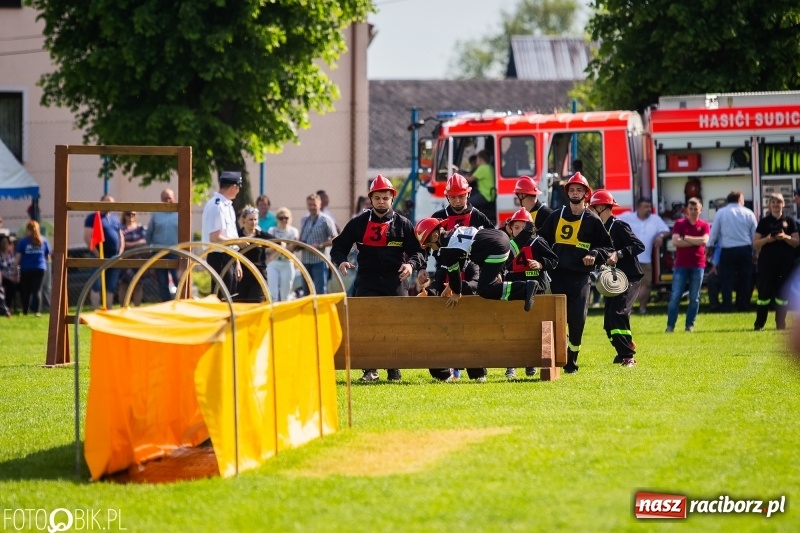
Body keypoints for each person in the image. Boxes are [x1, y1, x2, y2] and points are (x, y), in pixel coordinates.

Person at [332, 175, 426, 382]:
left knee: (395, 325)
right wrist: (341, 261)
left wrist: (411, 266)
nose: (381, 201)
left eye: (385, 197)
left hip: (395, 281)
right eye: (377, 198)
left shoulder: (403, 224)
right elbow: (339, 246)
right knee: (367, 325)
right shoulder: (358, 223)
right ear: (371, 199)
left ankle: (394, 368)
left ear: (392, 198)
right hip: (367, 281)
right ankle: (369, 369)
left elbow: (419, 252)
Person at [539, 172, 613, 374]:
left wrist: (594, 254)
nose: (575, 193)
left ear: (586, 194)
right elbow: (540, 241)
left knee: (577, 320)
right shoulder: (556, 215)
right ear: (567, 193)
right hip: (557, 276)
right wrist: (544, 261)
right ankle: (554, 356)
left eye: (579, 190)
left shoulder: (592, 219)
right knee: (554, 320)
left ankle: (572, 358)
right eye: (572, 189)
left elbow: (607, 248)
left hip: (580, 278)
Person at [588, 190, 645, 367]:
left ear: (601, 207)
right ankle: (623, 349)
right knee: (608, 322)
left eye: (593, 207)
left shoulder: (619, 226)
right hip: (612, 281)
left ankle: (628, 356)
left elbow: (638, 246)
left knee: (618, 313)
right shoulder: (598, 230)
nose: (590, 211)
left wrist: (618, 254)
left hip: (629, 278)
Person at [503, 208, 558, 379]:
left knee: (534, 328)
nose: (519, 231)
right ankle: (511, 366)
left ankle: (531, 363)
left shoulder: (538, 242)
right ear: (510, 229)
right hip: (514, 289)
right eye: (516, 227)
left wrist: (540, 264)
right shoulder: (507, 245)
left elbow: (554, 260)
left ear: (531, 228)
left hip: (537, 290)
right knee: (513, 328)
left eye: (522, 227)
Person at [753, 193, 799, 330]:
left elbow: (797, 242)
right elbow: (755, 243)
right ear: (769, 205)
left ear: (783, 204)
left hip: (785, 263)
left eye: (778, 202)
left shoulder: (790, 221)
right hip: (767, 263)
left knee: (782, 295)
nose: (776, 204)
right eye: (773, 202)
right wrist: (767, 239)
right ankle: (759, 324)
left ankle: (781, 324)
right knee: (764, 294)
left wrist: (785, 237)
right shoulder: (764, 222)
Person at [618, 197, 671, 314]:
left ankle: (642, 308)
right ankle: (628, 309)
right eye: (645, 207)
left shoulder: (655, 219)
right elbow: (612, 224)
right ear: (638, 207)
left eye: (649, 207)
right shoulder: (627, 217)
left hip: (646, 260)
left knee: (646, 285)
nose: (648, 209)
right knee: (628, 286)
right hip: (629, 259)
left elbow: (666, 230)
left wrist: (660, 236)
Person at [665, 198, 710, 333]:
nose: (693, 211)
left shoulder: (704, 225)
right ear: (687, 210)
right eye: (691, 209)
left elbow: (705, 240)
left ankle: (689, 325)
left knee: (694, 297)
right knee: (675, 296)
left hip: (698, 265)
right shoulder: (679, 224)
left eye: (696, 209)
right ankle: (670, 326)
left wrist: (686, 238)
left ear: (700, 210)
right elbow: (675, 242)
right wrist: (696, 241)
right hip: (681, 266)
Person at [708, 190, 757, 312]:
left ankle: (727, 306)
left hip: (728, 250)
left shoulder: (721, 213)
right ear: (740, 199)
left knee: (726, 280)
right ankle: (743, 305)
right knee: (745, 279)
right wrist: (755, 252)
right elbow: (754, 235)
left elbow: (714, 233)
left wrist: (709, 247)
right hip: (745, 250)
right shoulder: (749, 213)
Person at [201, 171, 243, 298]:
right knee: (222, 297)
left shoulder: (227, 205)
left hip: (229, 255)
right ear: (234, 187)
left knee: (231, 295)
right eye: (238, 187)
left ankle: (229, 318)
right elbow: (215, 237)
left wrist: (237, 261)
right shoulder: (217, 206)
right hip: (219, 256)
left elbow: (230, 234)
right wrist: (238, 242)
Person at [83, 195, 125, 310]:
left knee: (111, 287)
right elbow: (88, 237)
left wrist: (120, 253)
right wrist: (98, 255)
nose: (109, 205)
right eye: (107, 202)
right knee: (96, 285)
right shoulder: (93, 218)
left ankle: (108, 311)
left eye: (112, 203)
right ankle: (96, 311)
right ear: (100, 202)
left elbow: (121, 237)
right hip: (98, 257)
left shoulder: (115, 218)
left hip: (114, 258)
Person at [298, 193, 338, 296]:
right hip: (305, 260)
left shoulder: (326, 220)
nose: (312, 207)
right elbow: (301, 237)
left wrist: (320, 245)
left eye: (314, 205)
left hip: (319, 261)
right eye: (310, 205)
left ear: (319, 205)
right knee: (306, 293)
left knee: (320, 291)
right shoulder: (304, 220)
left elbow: (335, 239)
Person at [146, 188, 180, 302]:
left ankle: (181, 303)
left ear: (174, 199)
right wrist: (148, 248)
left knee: (178, 279)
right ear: (161, 200)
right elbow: (149, 232)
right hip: (158, 251)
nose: (167, 201)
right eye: (165, 199)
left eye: (169, 198)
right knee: (162, 281)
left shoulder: (179, 213)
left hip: (175, 251)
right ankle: (166, 304)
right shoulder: (156, 214)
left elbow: (185, 233)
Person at [236, 206, 275, 303]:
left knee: (256, 304)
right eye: (250, 219)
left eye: (255, 219)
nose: (253, 222)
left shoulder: (261, 235)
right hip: (241, 277)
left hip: (258, 275)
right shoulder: (237, 235)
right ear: (243, 220)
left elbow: (281, 244)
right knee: (240, 307)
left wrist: (270, 258)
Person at [14, 220, 50, 316]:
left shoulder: (23, 242)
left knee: (26, 291)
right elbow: (48, 256)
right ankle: (37, 311)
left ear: (28, 230)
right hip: (40, 268)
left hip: (26, 269)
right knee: (37, 290)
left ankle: (25, 311)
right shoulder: (43, 240)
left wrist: (15, 270)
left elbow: (17, 258)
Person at [265, 207, 299, 302]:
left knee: (286, 295)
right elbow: (268, 248)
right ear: (277, 218)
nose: (284, 220)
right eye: (281, 217)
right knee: (273, 294)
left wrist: (279, 248)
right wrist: (283, 247)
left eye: (286, 217)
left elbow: (292, 248)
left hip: (287, 262)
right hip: (274, 263)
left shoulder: (293, 231)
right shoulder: (272, 230)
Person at [117, 211, 147, 306]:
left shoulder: (140, 228)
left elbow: (145, 241)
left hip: (138, 260)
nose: (131, 216)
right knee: (124, 285)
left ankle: (137, 307)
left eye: (133, 214)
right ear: (124, 216)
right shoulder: (121, 229)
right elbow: (121, 244)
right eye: (128, 214)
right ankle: (123, 307)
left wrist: (130, 244)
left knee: (138, 284)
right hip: (124, 261)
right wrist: (136, 243)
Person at [465, 150, 496, 218]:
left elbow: (470, 179)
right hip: (490, 194)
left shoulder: (482, 168)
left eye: (477, 159)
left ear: (480, 159)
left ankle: (471, 220)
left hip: (485, 195)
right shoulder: (489, 167)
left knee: (465, 203)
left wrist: (457, 175)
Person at [0, 234, 18, 315]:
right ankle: (4, 308)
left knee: (15, 286)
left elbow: (15, 267)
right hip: (2, 278)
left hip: (11, 276)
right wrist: (9, 278)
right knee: (10, 284)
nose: (6, 245)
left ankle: (8, 306)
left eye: (7, 243)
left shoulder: (11, 255)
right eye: (4, 243)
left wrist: (16, 276)